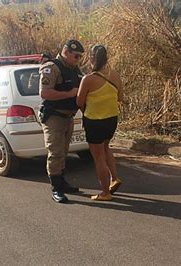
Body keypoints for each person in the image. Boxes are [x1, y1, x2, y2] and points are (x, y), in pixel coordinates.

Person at [39, 39, 84, 203]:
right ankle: (56, 188)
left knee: (63, 152)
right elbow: (45, 93)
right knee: (55, 153)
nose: (78, 59)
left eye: (80, 56)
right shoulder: (52, 67)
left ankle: (62, 182)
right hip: (54, 117)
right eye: (76, 56)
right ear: (66, 52)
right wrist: (70, 94)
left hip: (68, 117)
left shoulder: (75, 69)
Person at [77, 45, 124, 201]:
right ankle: (115, 178)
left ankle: (105, 193)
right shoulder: (115, 75)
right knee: (105, 147)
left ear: (91, 58)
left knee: (98, 158)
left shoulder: (88, 79)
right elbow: (120, 97)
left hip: (94, 121)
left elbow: (79, 101)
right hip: (112, 120)